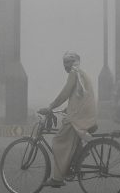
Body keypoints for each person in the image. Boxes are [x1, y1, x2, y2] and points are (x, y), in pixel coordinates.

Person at [39, 51, 97, 187]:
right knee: (71, 141)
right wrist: (67, 108)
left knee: (59, 141)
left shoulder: (74, 73)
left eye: (70, 61)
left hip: (78, 116)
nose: (67, 65)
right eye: (65, 62)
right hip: (86, 114)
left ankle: (57, 179)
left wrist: (51, 107)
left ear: (76, 62)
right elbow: (79, 95)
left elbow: (65, 93)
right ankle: (76, 161)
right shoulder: (81, 74)